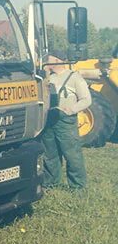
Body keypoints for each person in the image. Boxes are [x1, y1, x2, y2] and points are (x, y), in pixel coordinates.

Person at [41, 55, 91, 190]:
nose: (46, 61)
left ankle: (77, 187)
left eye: (49, 59)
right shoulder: (48, 77)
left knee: (72, 154)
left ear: (58, 60)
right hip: (49, 119)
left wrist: (70, 110)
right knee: (50, 153)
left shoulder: (74, 77)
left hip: (65, 121)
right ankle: (50, 183)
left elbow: (86, 100)